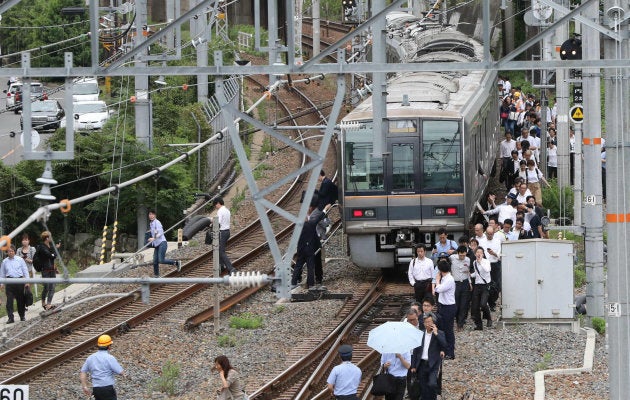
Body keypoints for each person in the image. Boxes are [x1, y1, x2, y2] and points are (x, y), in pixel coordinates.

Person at [292, 203, 330, 289]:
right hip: (309, 249)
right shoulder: (311, 224)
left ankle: (293, 283)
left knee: (298, 266)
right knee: (310, 267)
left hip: (301, 249)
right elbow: (319, 217)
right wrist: (325, 209)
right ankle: (311, 284)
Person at [410, 312, 447, 400]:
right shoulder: (421, 333)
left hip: (433, 364)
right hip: (422, 364)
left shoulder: (439, 333)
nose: (427, 324)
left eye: (429, 322)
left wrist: (436, 333)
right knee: (423, 387)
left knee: (432, 383)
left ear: (433, 323)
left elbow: (444, 345)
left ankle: (433, 397)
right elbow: (415, 350)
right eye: (426, 322)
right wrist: (413, 366)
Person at [80, 334, 125, 400]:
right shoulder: (110, 358)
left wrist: (85, 386)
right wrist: (124, 374)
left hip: (96, 389)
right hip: (108, 389)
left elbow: (83, 372)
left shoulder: (91, 358)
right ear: (109, 346)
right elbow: (120, 372)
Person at [0, 245, 30, 323]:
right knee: (9, 302)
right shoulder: (4, 261)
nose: (11, 252)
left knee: (20, 300)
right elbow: (2, 274)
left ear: (15, 252)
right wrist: (1, 284)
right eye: (9, 251)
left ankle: (22, 316)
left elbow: (25, 270)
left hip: (19, 281)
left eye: (12, 251)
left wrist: (27, 281)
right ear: (7, 252)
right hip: (9, 282)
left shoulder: (20, 260)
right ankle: (11, 318)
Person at [147, 210, 181, 277]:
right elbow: (155, 233)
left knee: (161, 260)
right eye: (150, 214)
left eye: (152, 214)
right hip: (157, 244)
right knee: (155, 261)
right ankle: (156, 275)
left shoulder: (157, 222)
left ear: (155, 215)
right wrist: (151, 239)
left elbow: (160, 233)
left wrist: (153, 238)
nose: (151, 216)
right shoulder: (151, 223)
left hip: (162, 243)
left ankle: (176, 263)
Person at [434, 259, 456, 360]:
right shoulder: (445, 278)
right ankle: (444, 350)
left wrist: (437, 280)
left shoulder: (449, 279)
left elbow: (438, 289)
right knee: (442, 329)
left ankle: (450, 352)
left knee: (448, 330)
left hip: (448, 307)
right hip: (442, 306)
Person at [449, 246, 472, 330]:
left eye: (464, 255)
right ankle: (457, 320)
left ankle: (460, 324)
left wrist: (470, 282)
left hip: (465, 282)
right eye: (460, 255)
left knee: (464, 304)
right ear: (457, 253)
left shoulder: (468, 259)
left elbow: (468, 271)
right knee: (456, 304)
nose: (462, 257)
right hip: (455, 283)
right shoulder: (452, 258)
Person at [470, 247, 492, 330]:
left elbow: (487, 270)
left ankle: (489, 318)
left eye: (481, 252)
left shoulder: (486, 262)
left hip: (485, 285)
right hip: (477, 285)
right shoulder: (474, 262)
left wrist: (480, 262)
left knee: (483, 304)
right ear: (475, 254)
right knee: (475, 306)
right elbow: (476, 274)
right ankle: (479, 325)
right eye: (477, 252)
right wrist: (469, 274)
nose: (479, 253)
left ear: (483, 254)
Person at [212, 199, 236, 275]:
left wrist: (211, 221)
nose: (215, 207)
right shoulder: (227, 210)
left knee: (221, 251)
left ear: (218, 203)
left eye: (215, 205)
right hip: (227, 231)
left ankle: (231, 268)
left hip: (222, 232)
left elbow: (218, 222)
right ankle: (221, 267)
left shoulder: (220, 211)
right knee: (219, 250)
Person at [37, 230, 59, 311]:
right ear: (47, 238)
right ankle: (43, 302)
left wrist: (55, 268)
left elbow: (53, 258)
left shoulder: (50, 246)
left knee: (52, 287)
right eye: (50, 237)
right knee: (46, 287)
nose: (51, 238)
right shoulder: (42, 247)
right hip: (45, 270)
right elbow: (50, 256)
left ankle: (49, 304)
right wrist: (55, 251)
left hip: (52, 269)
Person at [315, 170, 338, 239]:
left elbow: (323, 194)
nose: (317, 179)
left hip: (324, 203)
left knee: (315, 218)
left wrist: (316, 191)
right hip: (326, 202)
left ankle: (327, 225)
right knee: (322, 217)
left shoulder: (326, 182)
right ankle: (322, 236)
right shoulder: (326, 181)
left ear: (320, 175)